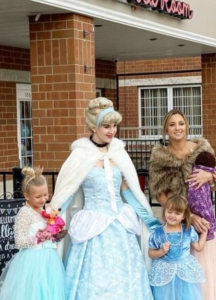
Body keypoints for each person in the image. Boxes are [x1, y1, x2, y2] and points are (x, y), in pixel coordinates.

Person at [50, 97, 153, 300]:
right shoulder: (80, 155)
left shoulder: (119, 152)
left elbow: (128, 190)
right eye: (106, 126)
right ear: (93, 126)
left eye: (114, 126)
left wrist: (151, 220)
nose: (111, 131)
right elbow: (67, 191)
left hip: (120, 224)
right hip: (93, 227)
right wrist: (52, 219)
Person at [149, 109, 216, 300]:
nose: (177, 128)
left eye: (181, 123)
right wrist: (188, 216)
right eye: (173, 124)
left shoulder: (202, 149)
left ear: (187, 126)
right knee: (181, 272)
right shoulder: (160, 157)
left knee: (205, 267)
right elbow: (160, 193)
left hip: (204, 220)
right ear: (166, 128)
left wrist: (210, 176)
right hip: (177, 223)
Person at [0, 166, 67, 300]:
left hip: (49, 258)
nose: (43, 200)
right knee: (33, 291)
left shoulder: (44, 211)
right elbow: (19, 241)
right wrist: (39, 237)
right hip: (32, 260)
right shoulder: (25, 213)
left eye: (45, 195)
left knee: (50, 289)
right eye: (38, 197)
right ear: (26, 196)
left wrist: (54, 235)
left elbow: (49, 230)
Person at [148, 195, 207, 300]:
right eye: (169, 212)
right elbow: (151, 253)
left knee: (186, 296)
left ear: (184, 216)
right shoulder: (157, 232)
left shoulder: (188, 230)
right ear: (164, 211)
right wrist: (161, 251)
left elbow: (198, 247)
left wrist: (205, 232)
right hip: (164, 271)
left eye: (177, 213)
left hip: (185, 271)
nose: (172, 216)